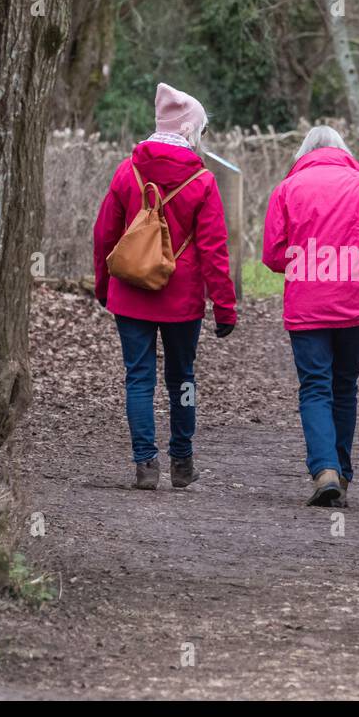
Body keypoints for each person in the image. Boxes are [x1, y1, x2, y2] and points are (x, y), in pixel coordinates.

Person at [93, 83, 237, 490]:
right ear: (190, 130)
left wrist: (104, 286)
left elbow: (104, 234)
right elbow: (214, 250)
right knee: (183, 379)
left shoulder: (127, 171)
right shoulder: (203, 181)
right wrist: (224, 308)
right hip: (181, 298)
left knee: (138, 379)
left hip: (131, 293)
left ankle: (145, 465)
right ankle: (182, 461)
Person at [261, 126, 359, 507]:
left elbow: (273, 255)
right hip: (357, 300)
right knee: (345, 384)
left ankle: (324, 469)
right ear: (343, 150)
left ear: (305, 153)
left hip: (307, 301)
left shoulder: (287, 189)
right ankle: (341, 471)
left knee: (315, 386)